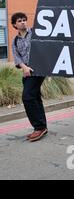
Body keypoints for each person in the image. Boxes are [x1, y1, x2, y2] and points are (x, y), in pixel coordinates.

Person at [11, 12, 47, 142]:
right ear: (15, 25)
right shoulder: (15, 40)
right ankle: (42, 126)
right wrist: (24, 67)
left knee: (27, 97)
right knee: (35, 97)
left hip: (39, 68)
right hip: (26, 70)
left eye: (24, 20)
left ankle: (39, 127)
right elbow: (16, 57)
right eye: (19, 21)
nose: (23, 22)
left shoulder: (36, 33)